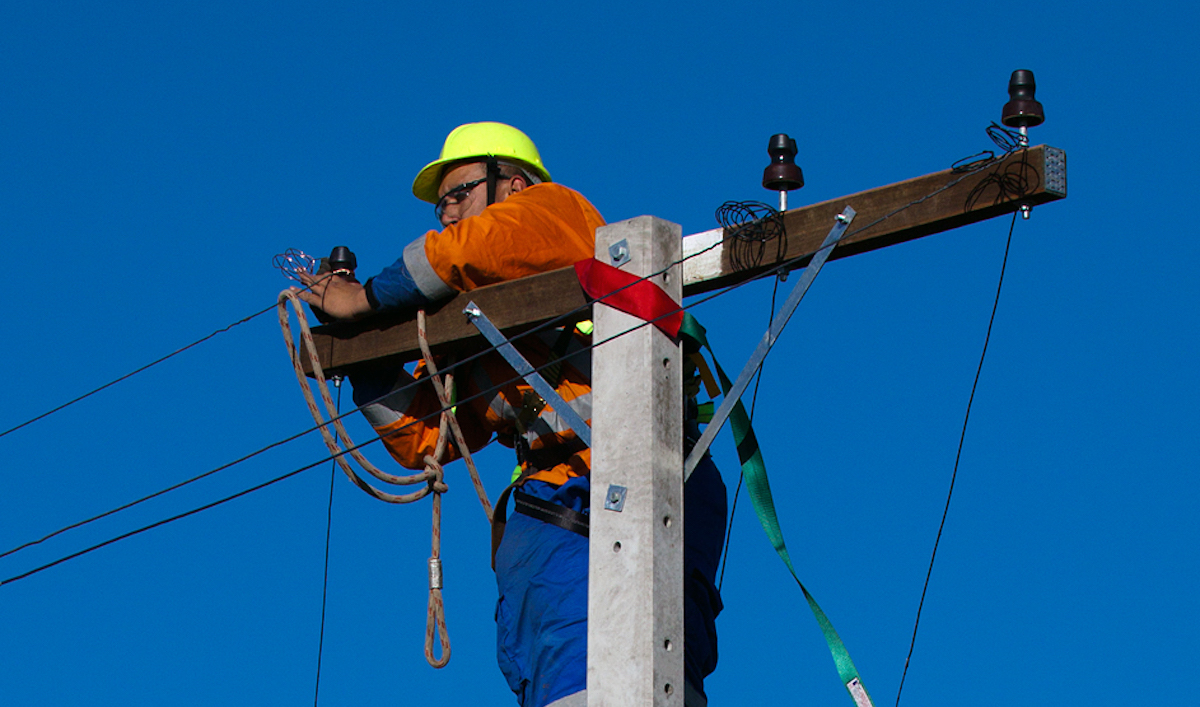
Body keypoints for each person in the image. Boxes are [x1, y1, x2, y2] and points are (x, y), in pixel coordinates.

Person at [294, 122, 726, 707]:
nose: (447, 214)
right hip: (553, 507)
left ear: (512, 184)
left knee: (616, 675)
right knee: (566, 676)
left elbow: (476, 248)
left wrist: (364, 299)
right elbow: (430, 439)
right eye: (442, 202)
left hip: (612, 486)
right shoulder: (479, 323)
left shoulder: (554, 210)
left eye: (459, 193)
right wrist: (367, 358)